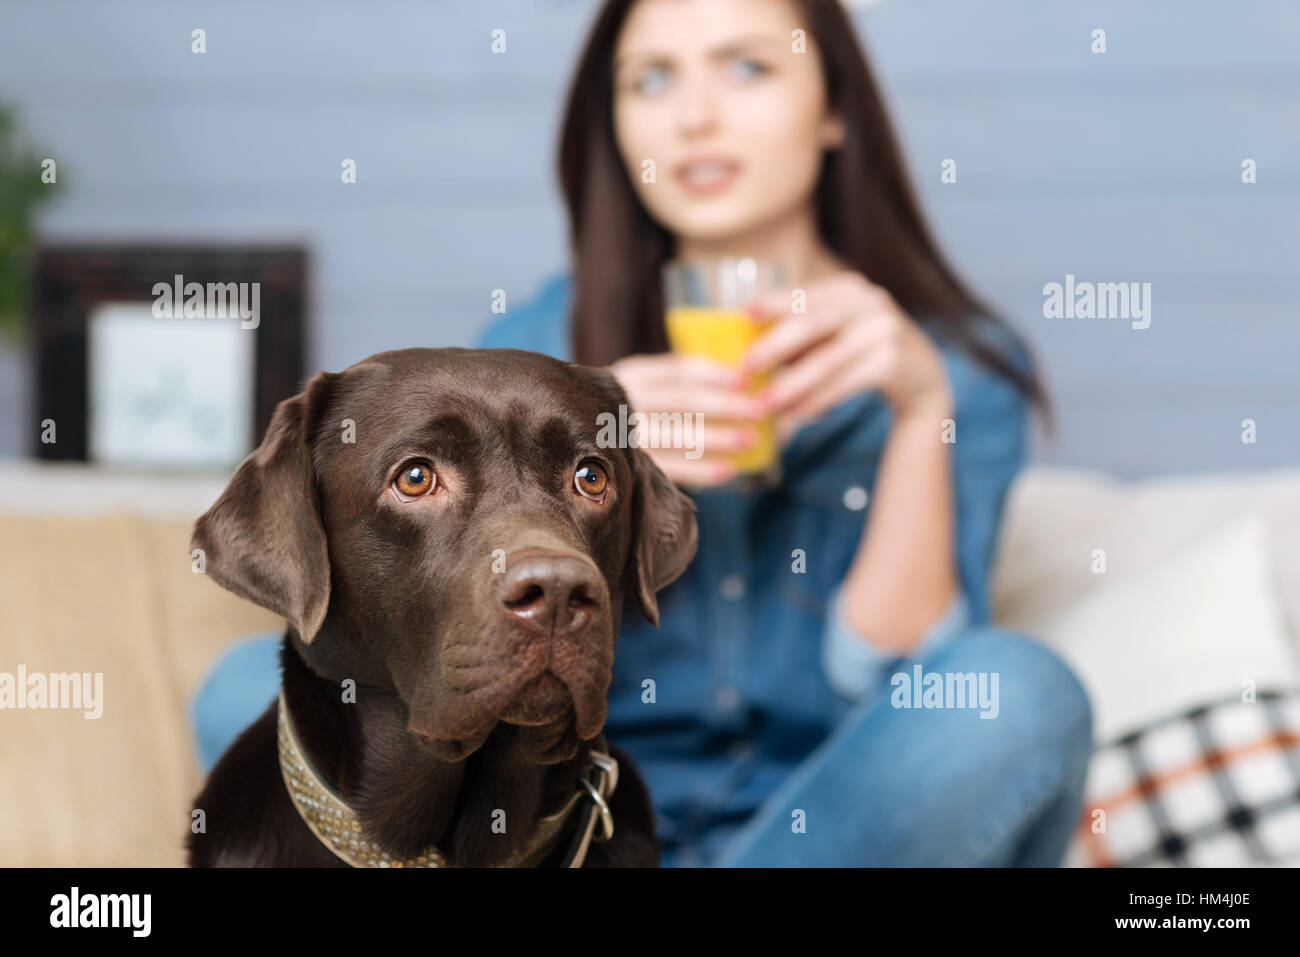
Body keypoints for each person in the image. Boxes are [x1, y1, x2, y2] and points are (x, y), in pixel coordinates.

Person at [190, 0, 1093, 867]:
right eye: (651, 79)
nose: (696, 117)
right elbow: (455, 632)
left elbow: (897, 683)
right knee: (249, 689)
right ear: (615, 125)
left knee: (1014, 691)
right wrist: (586, 456)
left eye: (746, 68)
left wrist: (916, 413)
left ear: (835, 110)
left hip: (824, 828)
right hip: (568, 820)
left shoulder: (955, 373)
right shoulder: (539, 352)